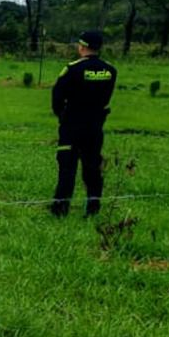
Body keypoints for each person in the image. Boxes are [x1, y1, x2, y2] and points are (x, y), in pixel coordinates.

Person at [49, 29, 117, 218]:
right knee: (92, 168)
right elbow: (106, 99)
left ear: (82, 47)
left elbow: (57, 97)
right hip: (95, 126)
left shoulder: (72, 69)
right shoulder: (110, 71)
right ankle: (93, 208)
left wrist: (62, 116)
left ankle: (60, 209)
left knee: (67, 167)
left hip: (72, 126)